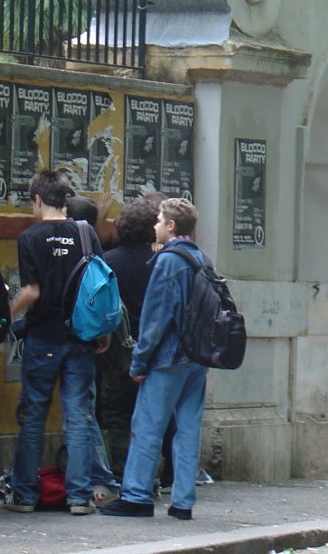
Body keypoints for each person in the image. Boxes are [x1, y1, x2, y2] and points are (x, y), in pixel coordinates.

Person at [5, 171, 112, 516]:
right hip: (80, 338)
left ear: (37, 199)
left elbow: (32, 291)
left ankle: (23, 494)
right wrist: (103, 330)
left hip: (43, 339)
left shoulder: (30, 238)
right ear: (64, 199)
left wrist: (6, 314)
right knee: (78, 416)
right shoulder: (86, 233)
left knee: (34, 415)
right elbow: (99, 286)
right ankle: (79, 496)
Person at [101, 198, 208, 520]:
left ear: (172, 226)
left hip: (167, 358)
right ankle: (183, 501)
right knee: (187, 429)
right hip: (197, 358)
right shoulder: (201, 258)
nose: (155, 226)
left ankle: (136, 495)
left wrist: (139, 362)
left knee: (147, 426)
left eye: (159, 221)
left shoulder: (168, 261)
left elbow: (156, 317)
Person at [65, 195, 121, 504]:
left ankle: (96, 479)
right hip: (88, 336)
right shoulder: (91, 245)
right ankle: (94, 482)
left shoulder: (51, 240)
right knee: (84, 412)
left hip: (60, 338)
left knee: (78, 413)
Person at [98, 196, 160, 478]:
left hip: (117, 354)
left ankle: (124, 475)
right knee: (149, 417)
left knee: (118, 417)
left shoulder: (109, 262)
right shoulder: (161, 262)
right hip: (154, 352)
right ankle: (150, 476)